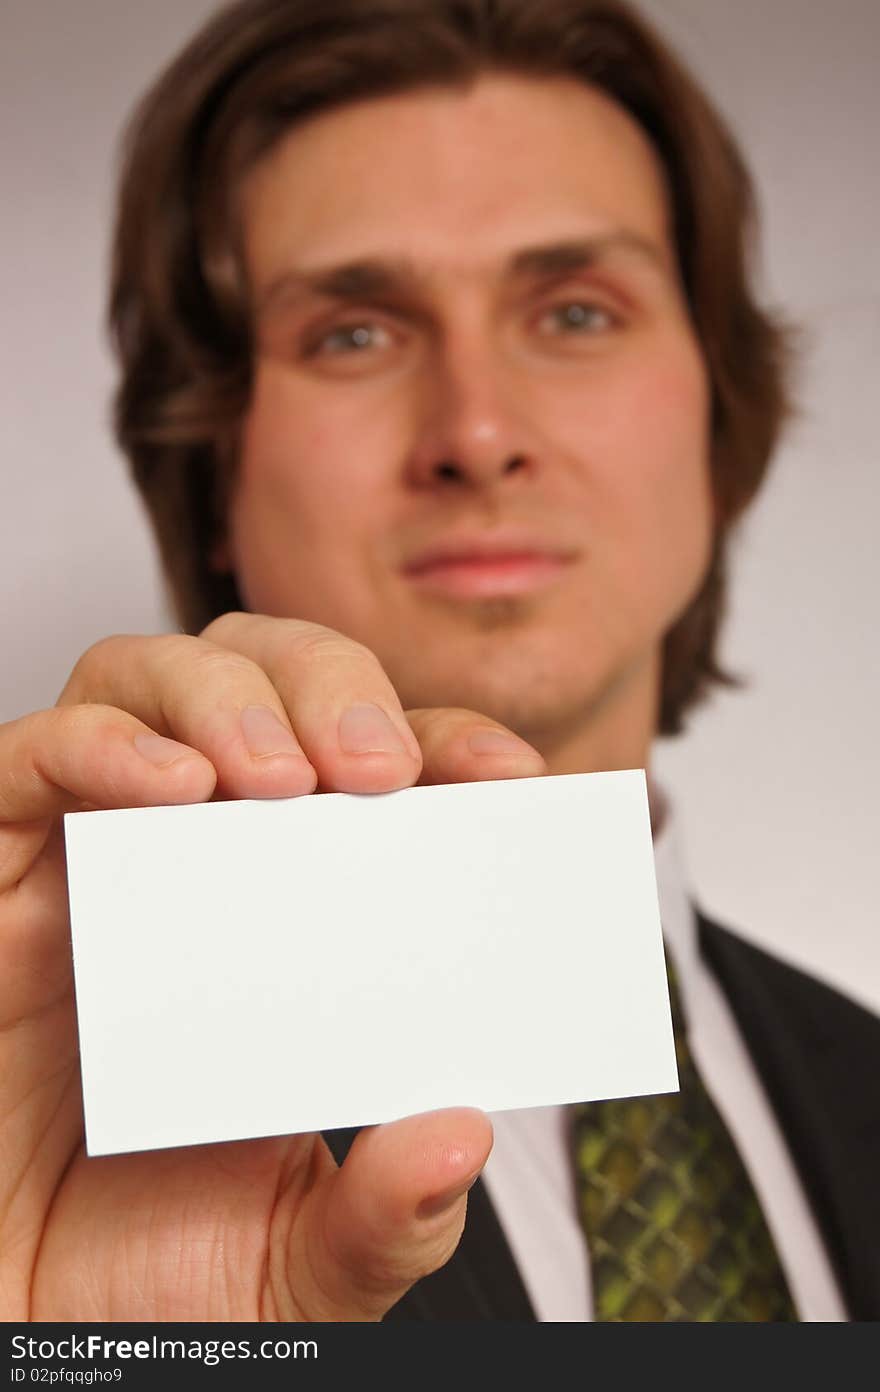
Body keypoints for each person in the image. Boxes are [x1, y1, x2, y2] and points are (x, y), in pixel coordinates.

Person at [0, 0, 877, 1323]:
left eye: (576, 312)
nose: (475, 429)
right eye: (353, 331)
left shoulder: (862, 1078)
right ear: (214, 467)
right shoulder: (65, 1103)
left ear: (716, 408)